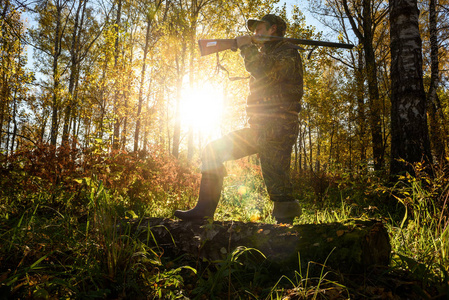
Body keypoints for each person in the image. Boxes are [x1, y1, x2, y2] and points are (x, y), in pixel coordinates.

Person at [174, 14, 303, 223]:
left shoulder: (287, 52)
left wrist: (245, 47)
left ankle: (286, 236)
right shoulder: (267, 53)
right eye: (254, 30)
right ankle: (203, 212)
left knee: (277, 182)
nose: (255, 33)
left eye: (260, 28)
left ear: (274, 29)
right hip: (260, 126)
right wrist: (243, 47)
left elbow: (263, 70)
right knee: (212, 151)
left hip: (279, 124)